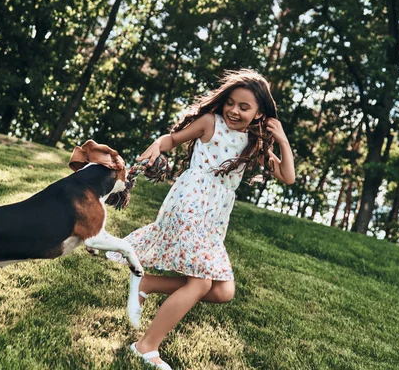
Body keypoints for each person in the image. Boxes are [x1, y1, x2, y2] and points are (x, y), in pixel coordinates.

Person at [107, 69, 295, 369]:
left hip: (214, 217)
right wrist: (157, 146)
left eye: (244, 107)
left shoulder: (253, 144)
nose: (234, 110)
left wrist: (282, 140)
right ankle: (145, 346)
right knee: (200, 282)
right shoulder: (211, 123)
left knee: (222, 291)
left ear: (260, 112)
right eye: (230, 102)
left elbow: (287, 176)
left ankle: (147, 284)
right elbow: (172, 139)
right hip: (189, 202)